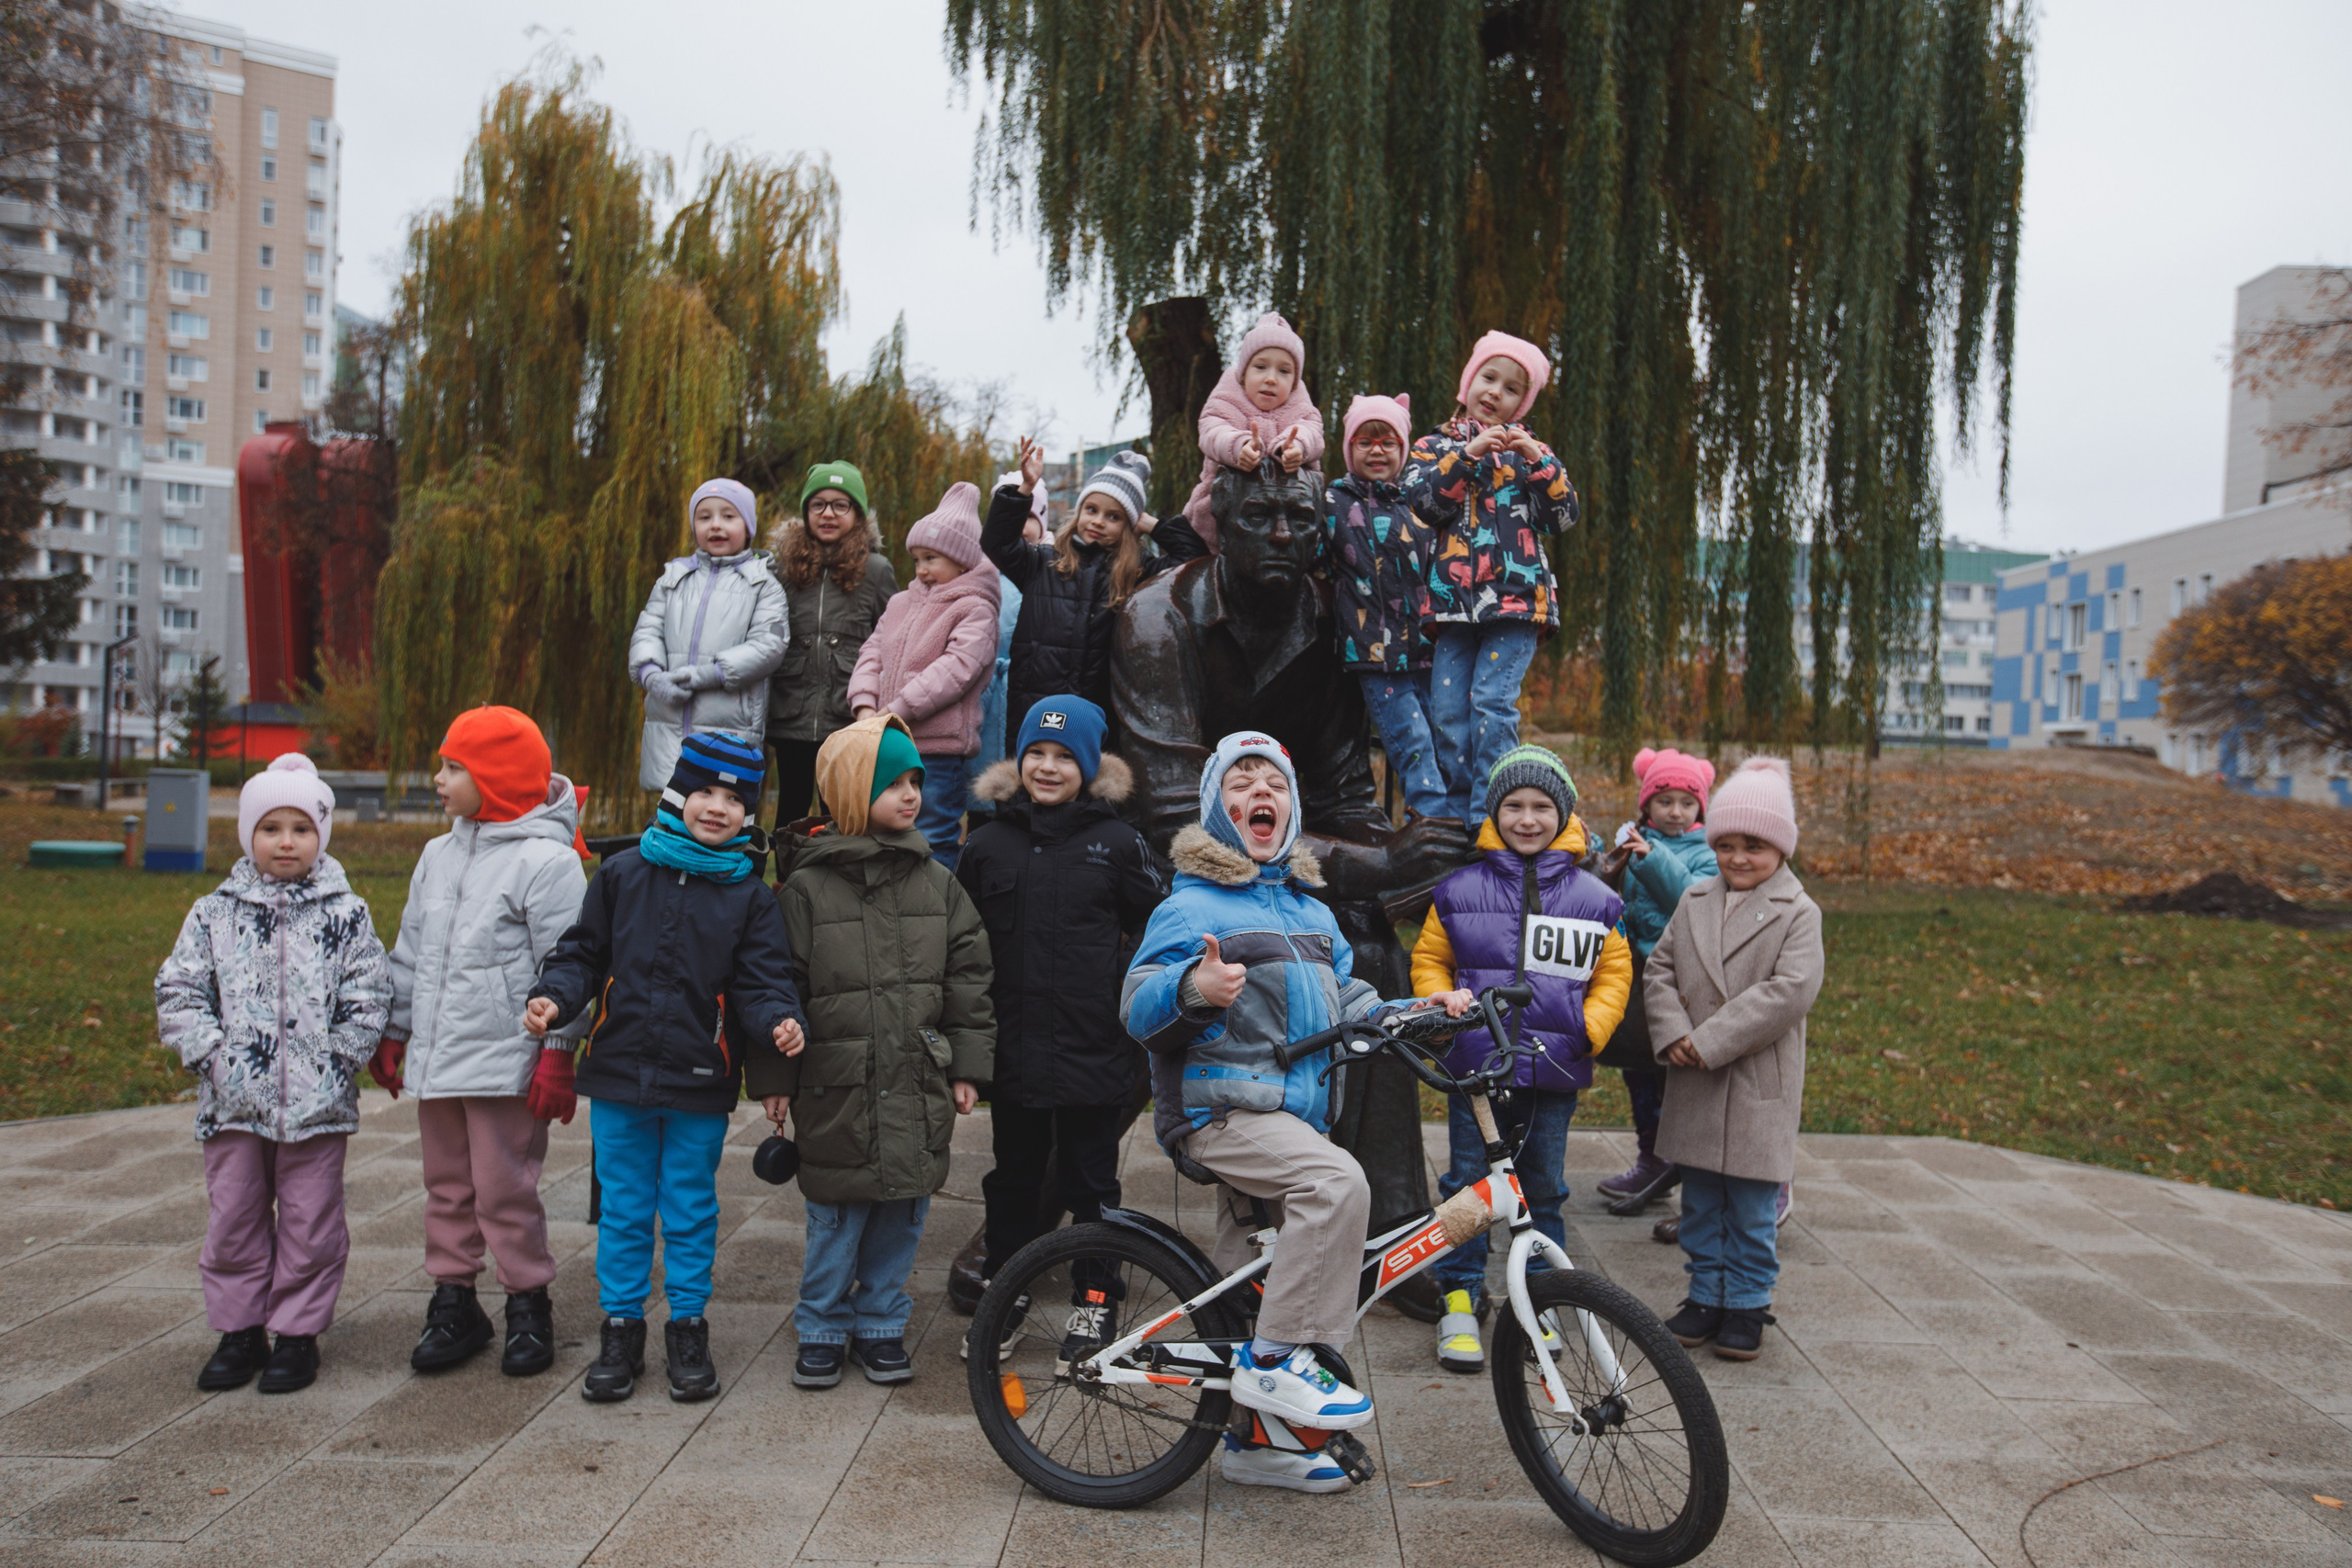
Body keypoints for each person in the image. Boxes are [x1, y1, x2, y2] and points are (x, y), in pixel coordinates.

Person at [1122, 732, 1408, 1495]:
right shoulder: (1190, 903)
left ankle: (1255, 1445)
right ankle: (1279, 1360)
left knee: (1253, 1269)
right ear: (1220, 808)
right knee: (1337, 1185)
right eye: (1242, 780)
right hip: (1221, 1108)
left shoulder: (1313, 911)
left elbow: (1351, 1002)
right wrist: (1193, 988)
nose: (1262, 791)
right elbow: (1135, 1003)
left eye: (1275, 782)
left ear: (1291, 809)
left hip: (1286, 1114)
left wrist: (1419, 1013)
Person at [525, 733, 807, 1404]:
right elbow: (582, 953)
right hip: (620, 1072)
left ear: (750, 812)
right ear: (678, 794)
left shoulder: (750, 896)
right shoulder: (623, 876)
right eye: (705, 791)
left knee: (688, 1207)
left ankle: (687, 1324)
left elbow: (762, 978)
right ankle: (620, 1327)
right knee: (623, 1209)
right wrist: (557, 995)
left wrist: (778, 1018)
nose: (717, 807)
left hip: (699, 1080)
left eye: (735, 798)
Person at [752, 714, 995, 1390]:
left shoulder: (936, 883)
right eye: (895, 782)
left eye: (916, 779)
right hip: (837, 1083)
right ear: (852, 792)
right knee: (836, 1214)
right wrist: (776, 1072)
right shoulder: (805, 890)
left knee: (903, 1209)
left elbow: (968, 976)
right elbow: (779, 984)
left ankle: (883, 1319)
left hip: (915, 1077)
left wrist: (969, 1064)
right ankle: (824, 1322)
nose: (912, 793)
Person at [155, 754, 392, 1395]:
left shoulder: (346, 914)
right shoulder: (214, 912)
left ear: (320, 836)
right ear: (248, 835)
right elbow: (179, 989)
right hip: (234, 1101)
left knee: (312, 1219)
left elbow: (370, 993)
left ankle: (297, 1331)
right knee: (234, 1215)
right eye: (270, 827)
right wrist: (211, 1054)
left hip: (317, 1105)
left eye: (300, 828)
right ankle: (239, 1328)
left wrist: (341, 1057)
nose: (285, 841)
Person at [378, 705, 589, 1379]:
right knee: (446, 1184)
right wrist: (394, 1027)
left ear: (494, 777)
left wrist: (557, 1050)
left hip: (505, 1062)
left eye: (452, 766)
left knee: (504, 1187)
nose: (438, 778)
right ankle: (455, 1299)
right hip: (440, 1057)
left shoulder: (547, 862)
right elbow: (410, 950)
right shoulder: (439, 853)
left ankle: (528, 1297)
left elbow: (572, 961)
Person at [955, 695, 1164, 1359]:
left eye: (1064, 756)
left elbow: (1158, 926)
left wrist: (1122, 995)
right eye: (1035, 754)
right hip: (1014, 1050)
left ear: (1089, 766)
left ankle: (1094, 1302)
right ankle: (1004, 1297)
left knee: (1091, 1186)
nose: (1048, 767)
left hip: (1092, 1049)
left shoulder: (1117, 843)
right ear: (1018, 761)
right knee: (1012, 1182)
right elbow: (961, 946)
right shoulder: (986, 844)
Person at [1411, 746, 1630, 1372]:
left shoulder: (1595, 896)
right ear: (1495, 812)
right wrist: (1438, 1000)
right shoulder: (1458, 890)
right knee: (1467, 1187)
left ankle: (1538, 1300)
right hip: (1477, 1064)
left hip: (1554, 1068)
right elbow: (1431, 957)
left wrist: (1591, 1027)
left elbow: (1615, 968)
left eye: (1541, 806)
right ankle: (1458, 1295)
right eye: (1514, 806)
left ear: (1563, 813)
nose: (1527, 818)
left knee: (1543, 1189)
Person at [1647, 757, 1824, 1362]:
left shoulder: (1798, 913)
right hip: (1694, 1076)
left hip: (1753, 1080)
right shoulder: (1695, 898)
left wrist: (1711, 1038)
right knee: (1699, 1199)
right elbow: (1661, 969)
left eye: (1754, 845)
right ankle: (1704, 1293)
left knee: (1749, 1204)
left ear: (1779, 846)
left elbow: (1789, 991)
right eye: (1725, 844)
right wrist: (1672, 1030)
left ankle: (1747, 1300)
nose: (1738, 857)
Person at [1404, 331, 1581, 821]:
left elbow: (1562, 517)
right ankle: (1461, 812)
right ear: (1469, 381)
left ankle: (1491, 812)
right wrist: (1469, 453)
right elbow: (1422, 503)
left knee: (1491, 703)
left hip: (1516, 604)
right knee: (1447, 712)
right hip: (1452, 605)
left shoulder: (1531, 456)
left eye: (1510, 389)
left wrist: (1539, 462)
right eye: (1488, 378)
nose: (1494, 393)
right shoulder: (1432, 446)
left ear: (1520, 403)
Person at [848, 480, 1002, 869]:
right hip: (888, 739)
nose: (921, 569)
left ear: (963, 560)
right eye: (916, 559)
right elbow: (872, 652)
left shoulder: (975, 609)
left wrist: (898, 708)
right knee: (882, 831)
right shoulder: (901, 602)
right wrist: (866, 704)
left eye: (932, 558)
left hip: (937, 747)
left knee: (933, 833)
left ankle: (937, 914)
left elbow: (955, 670)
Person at [1593, 746, 1717, 1218]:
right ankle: (1650, 1156)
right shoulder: (1635, 841)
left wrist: (1651, 856)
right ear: (1647, 804)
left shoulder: (1707, 852)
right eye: (1664, 800)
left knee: (1674, 1074)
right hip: (1636, 977)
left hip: (1680, 981)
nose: (1675, 811)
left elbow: (1689, 897)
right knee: (1637, 1068)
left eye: (1687, 803)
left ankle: (1680, 1163)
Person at [1323, 392, 1445, 821]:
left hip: (1428, 652)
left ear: (1403, 449)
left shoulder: (1421, 505)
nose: (1377, 450)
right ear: (1349, 449)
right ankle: (1431, 824)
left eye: (1388, 442)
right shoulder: (1334, 504)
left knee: (1444, 738)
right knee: (1411, 743)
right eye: (1365, 441)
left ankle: (1460, 822)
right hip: (1375, 654)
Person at [985, 437, 1159, 730]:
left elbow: (1190, 559)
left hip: (1097, 714)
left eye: (1114, 516)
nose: (1098, 521)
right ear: (1079, 511)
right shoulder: (1043, 562)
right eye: (1091, 510)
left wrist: (1149, 523)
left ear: (1130, 525)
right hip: (1033, 709)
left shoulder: (1136, 570)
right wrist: (1024, 489)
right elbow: (997, 543)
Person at [629, 477, 789, 790]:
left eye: (728, 516)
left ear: (747, 526)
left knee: (719, 806)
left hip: (731, 727)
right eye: (705, 517)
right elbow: (647, 630)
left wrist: (708, 674)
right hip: (668, 723)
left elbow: (769, 646)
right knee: (670, 808)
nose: (716, 525)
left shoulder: (762, 585)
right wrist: (651, 676)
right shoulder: (673, 578)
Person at [768, 461, 899, 822]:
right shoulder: (783, 569)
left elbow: (891, 638)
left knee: (840, 808)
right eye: (818, 504)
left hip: (847, 712)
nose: (828, 513)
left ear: (857, 514)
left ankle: (837, 877)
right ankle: (788, 878)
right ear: (806, 511)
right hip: (792, 708)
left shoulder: (876, 569)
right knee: (791, 806)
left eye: (841, 505)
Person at [1178, 311, 1326, 553]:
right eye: (1260, 367)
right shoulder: (1226, 400)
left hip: (1284, 524)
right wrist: (1237, 448)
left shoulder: (1301, 409)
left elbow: (1313, 434)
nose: (1271, 379)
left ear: (1295, 381)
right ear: (1243, 372)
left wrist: (1296, 447)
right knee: (1190, 560)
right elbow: (1212, 430)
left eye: (1284, 371)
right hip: (1219, 525)